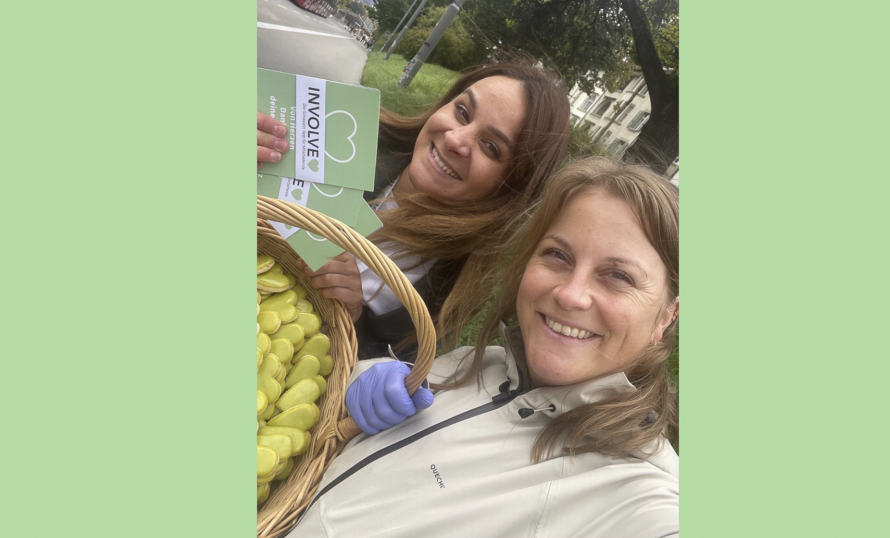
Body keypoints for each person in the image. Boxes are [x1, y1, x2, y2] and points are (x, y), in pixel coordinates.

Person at [285, 157, 680, 537]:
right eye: (557, 255)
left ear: (666, 315)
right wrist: (358, 381)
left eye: (618, 276)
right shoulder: (477, 364)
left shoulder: (634, 489)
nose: (571, 295)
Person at [258, 62, 572, 359]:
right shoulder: (339, 134)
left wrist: (351, 314)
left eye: (491, 147)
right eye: (462, 112)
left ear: (509, 188)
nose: (455, 139)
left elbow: (385, 374)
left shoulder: (453, 292)